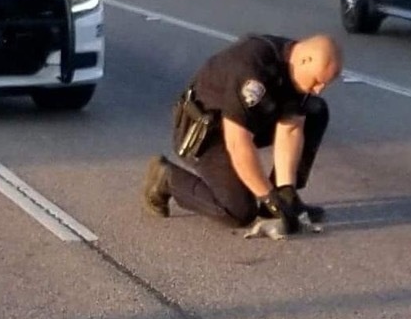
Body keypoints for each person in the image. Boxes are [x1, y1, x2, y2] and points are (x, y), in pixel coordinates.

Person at [142, 34, 343, 241]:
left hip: (246, 123)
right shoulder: (253, 68)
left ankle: (282, 203)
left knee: (315, 111)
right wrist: (266, 195)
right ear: (304, 60)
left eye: (325, 84)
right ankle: (166, 178)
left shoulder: (296, 70)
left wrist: (284, 190)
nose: (319, 89)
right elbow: (238, 143)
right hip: (205, 134)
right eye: (318, 81)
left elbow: (290, 128)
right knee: (238, 212)